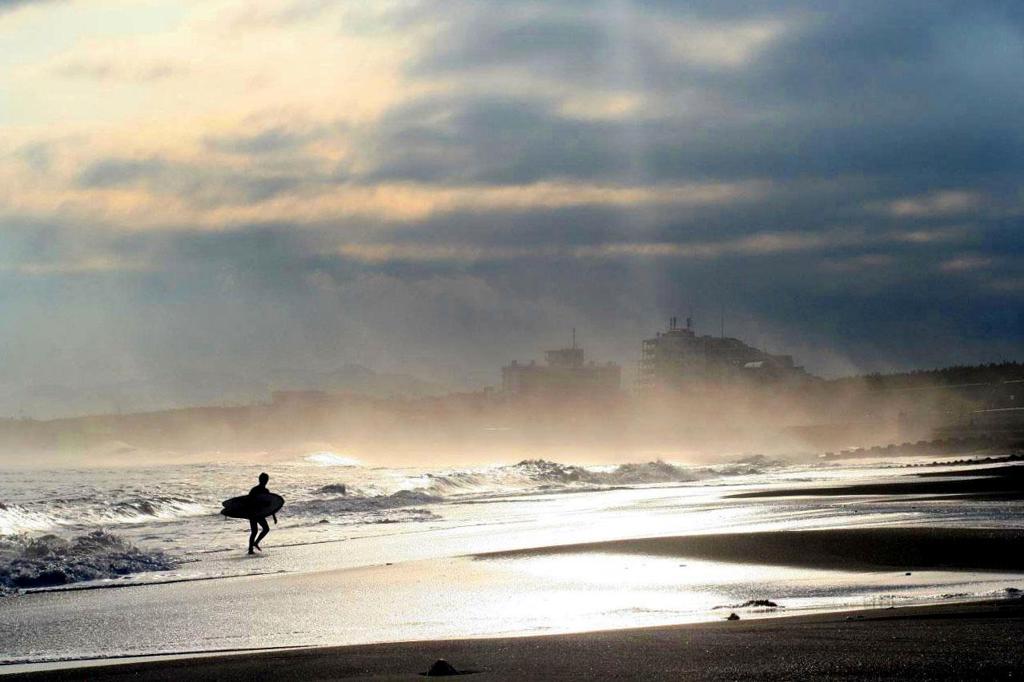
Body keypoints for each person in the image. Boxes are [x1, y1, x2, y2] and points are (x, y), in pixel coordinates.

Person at [247, 472, 277, 554]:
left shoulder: (256, 490)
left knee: (257, 531)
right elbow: (248, 502)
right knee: (259, 530)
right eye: (265, 480)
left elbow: (269, 504)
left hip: (255, 513)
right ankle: (252, 546)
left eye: (266, 480)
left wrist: (274, 516)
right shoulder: (260, 490)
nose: (265, 481)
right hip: (256, 513)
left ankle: (252, 546)